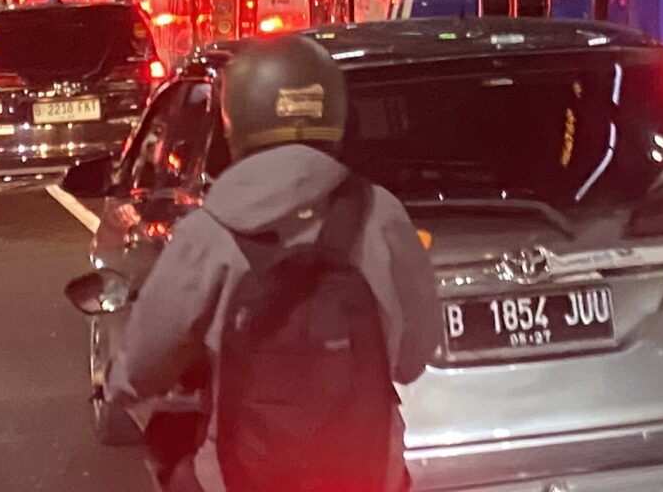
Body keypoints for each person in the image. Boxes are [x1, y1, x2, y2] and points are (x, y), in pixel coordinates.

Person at [105, 33, 439, 492]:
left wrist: (118, 385)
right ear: (334, 114)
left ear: (235, 120)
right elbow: (415, 356)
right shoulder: (381, 214)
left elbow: (145, 364)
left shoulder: (210, 230)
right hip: (370, 474)